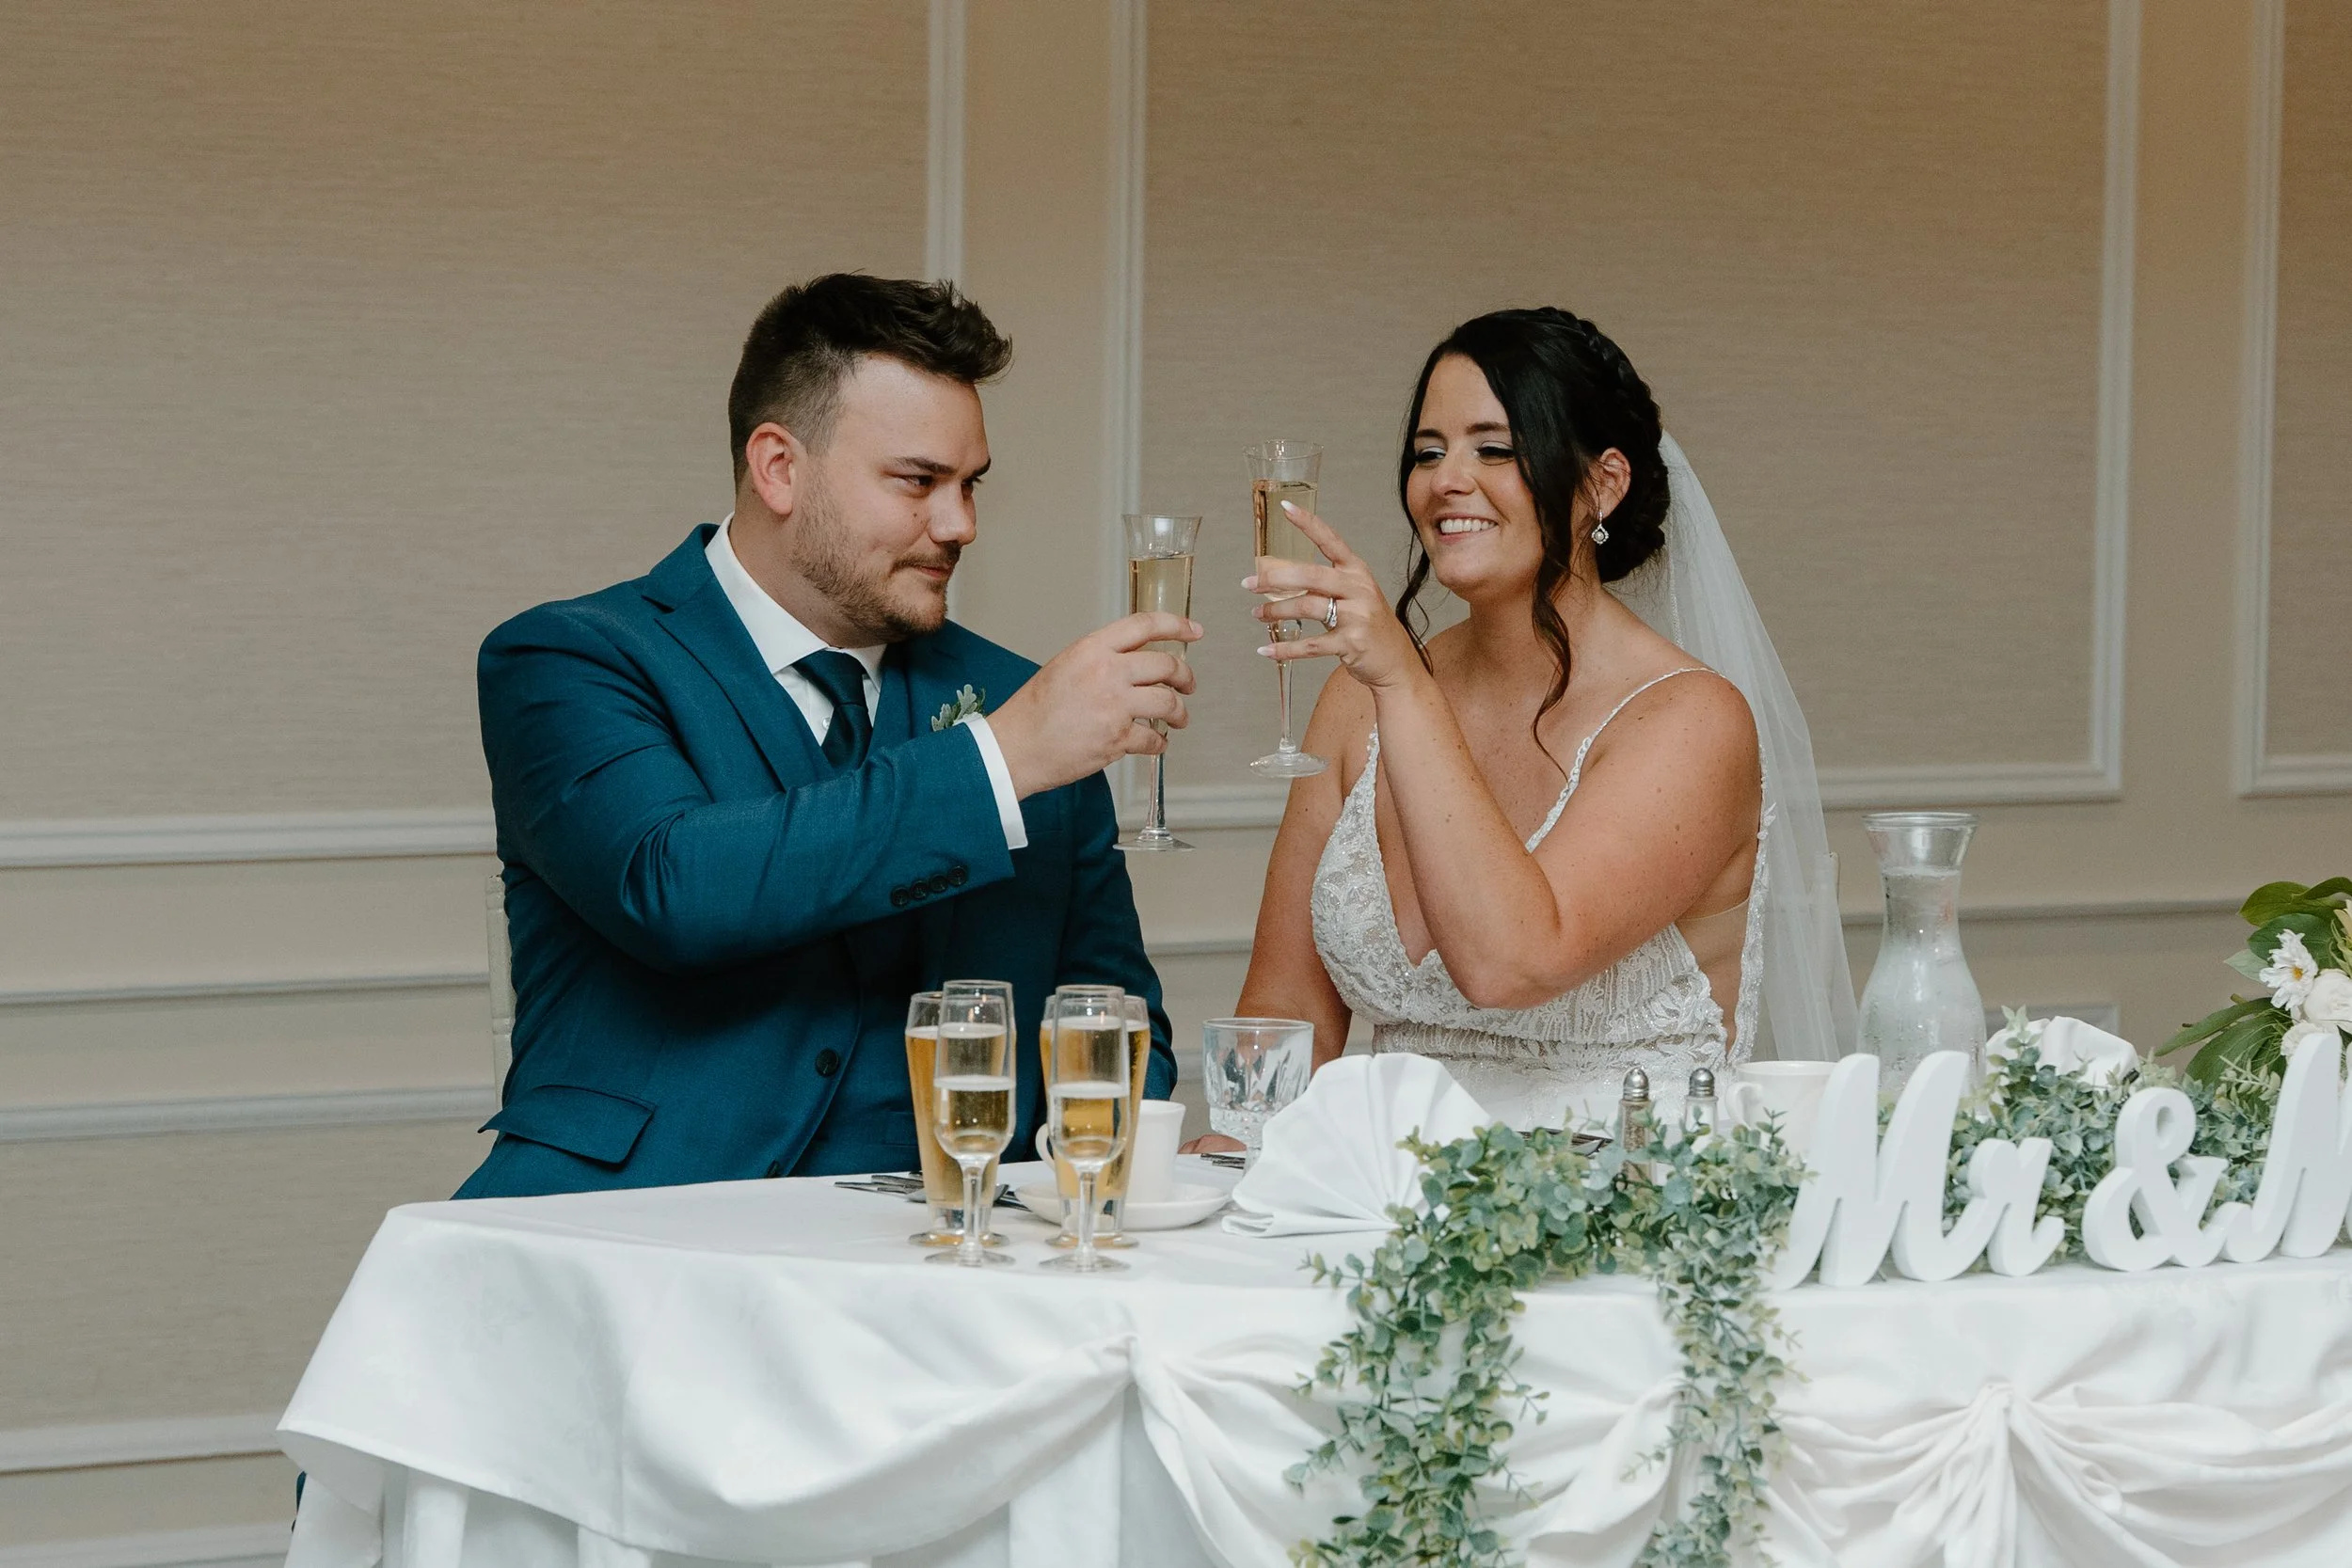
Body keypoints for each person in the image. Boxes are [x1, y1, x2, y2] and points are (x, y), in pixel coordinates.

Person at [456, 274, 1191, 1198]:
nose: (960, 524)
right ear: (778, 468)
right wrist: (1000, 759)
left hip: (956, 1263)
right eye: (919, 481)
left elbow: (1113, 1012)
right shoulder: (571, 658)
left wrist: (1094, 1195)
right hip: (636, 1228)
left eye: (970, 486)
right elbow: (670, 883)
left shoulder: (1018, 698)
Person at [1229, 307, 1852, 1133]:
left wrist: (1404, 683)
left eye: (1495, 448)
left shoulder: (1692, 721)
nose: (1447, 479)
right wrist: (1239, 1157)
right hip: (1378, 1221)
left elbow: (1511, 961)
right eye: (1427, 451)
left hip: (1617, 1218)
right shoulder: (1357, 699)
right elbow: (1285, 1003)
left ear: (1603, 483)